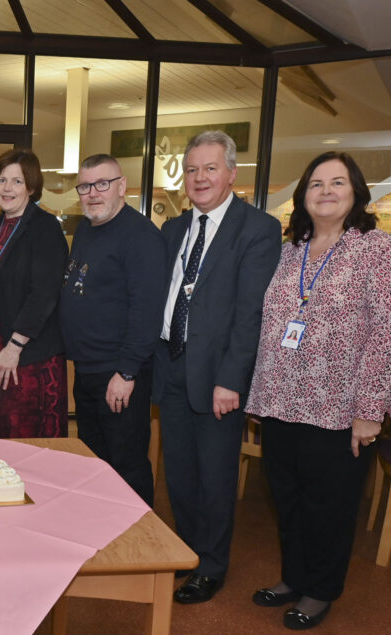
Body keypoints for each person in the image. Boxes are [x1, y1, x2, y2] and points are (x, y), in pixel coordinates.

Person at [246, 152, 391, 629]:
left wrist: (371, 410)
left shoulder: (379, 250)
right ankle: (293, 577)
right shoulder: (289, 251)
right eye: (316, 183)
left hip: (340, 408)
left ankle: (320, 589)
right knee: (287, 495)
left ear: (356, 192)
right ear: (304, 195)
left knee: (329, 502)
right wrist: (260, 391)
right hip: (281, 399)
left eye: (337, 182)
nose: (325, 190)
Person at [153, 130, 281, 605]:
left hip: (218, 379)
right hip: (170, 367)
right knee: (180, 473)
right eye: (192, 169)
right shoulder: (174, 230)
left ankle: (211, 566)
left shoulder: (258, 229)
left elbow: (251, 315)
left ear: (231, 173)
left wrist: (231, 379)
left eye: (210, 168)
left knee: (214, 476)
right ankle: (188, 554)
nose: (200, 177)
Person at [58, 154, 166, 506]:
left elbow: (146, 311)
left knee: (126, 465)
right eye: (86, 186)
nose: (93, 193)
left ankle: (141, 551)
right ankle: (104, 540)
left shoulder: (141, 236)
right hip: (88, 369)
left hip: (119, 373)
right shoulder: (88, 228)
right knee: (96, 461)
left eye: (102, 184)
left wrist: (126, 371)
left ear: (122, 187)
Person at [0, 149, 68, 439]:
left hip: (24, 355)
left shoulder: (45, 227)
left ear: (32, 187)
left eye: (17, 181)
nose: (7, 188)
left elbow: (44, 294)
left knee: (19, 437)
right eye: (1, 180)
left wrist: (14, 346)